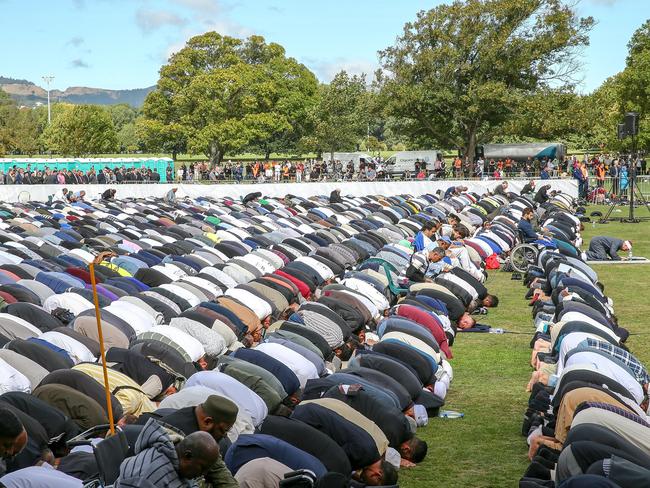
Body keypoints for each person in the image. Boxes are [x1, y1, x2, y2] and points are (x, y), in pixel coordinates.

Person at [115, 418, 219, 487]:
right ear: (187, 456)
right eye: (202, 467)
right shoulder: (150, 475)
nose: (203, 473)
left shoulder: (180, 465)